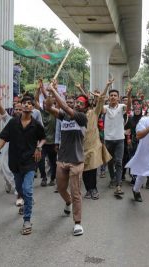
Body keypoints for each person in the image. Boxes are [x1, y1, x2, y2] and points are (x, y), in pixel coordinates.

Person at [0, 94, 46, 235]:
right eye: (25, 103)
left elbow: (43, 139)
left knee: (27, 190)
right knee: (20, 189)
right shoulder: (13, 123)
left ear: (33, 107)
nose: (27, 105)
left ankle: (27, 220)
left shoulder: (36, 125)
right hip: (15, 163)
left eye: (30, 103)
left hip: (29, 162)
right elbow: (3, 138)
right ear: (21, 106)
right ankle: (24, 201)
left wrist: (39, 147)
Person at [45, 82, 88, 236]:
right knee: (61, 188)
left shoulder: (82, 118)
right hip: (62, 159)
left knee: (76, 192)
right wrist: (50, 94)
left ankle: (77, 223)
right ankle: (67, 202)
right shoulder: (63, 118)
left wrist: (55, 91)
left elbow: (64, 106)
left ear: (85, 107)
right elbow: (48, 107)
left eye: (80, 103)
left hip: (76, 161)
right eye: (77, 102)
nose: (77, 104)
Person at [82, 81, 112, 200]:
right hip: (81, 147)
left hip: (93, 146)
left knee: (92, 169)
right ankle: (88, 190)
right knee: (84, 170)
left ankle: (94, 189)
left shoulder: (94, 113)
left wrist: (107, 85)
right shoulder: (77, 114)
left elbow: (101, 100)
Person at [103, 85, 132, 196]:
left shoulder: (121, 107)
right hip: (108, 140)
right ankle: (112, 179)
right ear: (109, 97)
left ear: (118, 98)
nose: (113, 97)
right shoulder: (105, 108)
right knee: (110, 161)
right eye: (111, 95)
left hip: (120, 139)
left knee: (119, 162)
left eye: (115, 95)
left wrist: (129, 95)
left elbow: (128, 108)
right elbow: (100, 108)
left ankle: (118, 185)